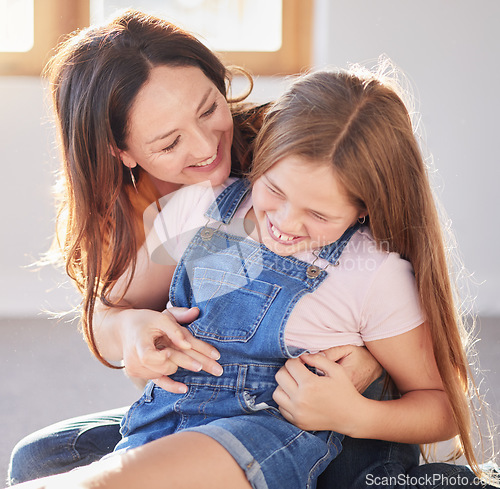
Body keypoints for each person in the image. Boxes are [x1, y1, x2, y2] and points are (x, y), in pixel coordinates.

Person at [9, 64, 498, 488]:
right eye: (275, 190)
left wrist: (356, 414)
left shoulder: (373, 273)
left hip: (272, 432)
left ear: (365, 208)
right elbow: (109, 305)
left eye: (319, 215)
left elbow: (442, 406)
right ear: (261, 155)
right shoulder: (201, 206)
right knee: (38, 458)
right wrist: (130, 329)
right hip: (173, 416)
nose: (286, 223)